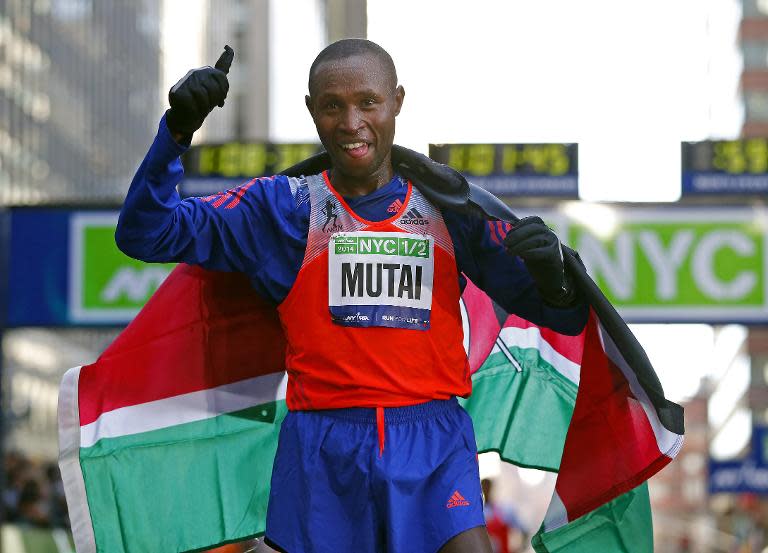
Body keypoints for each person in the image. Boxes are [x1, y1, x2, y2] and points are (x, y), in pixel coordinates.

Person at [116, 38, 587, 553]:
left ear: (397, 102)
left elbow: (564, 315)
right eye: (332, 105)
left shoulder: (450, 206)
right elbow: (146, 233)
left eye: (367, 102)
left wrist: (554, 273)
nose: (350, 121)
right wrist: (176, 131)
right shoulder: (282, 209)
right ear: (312, 111)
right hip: (323, 448)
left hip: (432, 441)